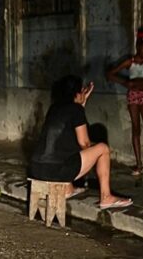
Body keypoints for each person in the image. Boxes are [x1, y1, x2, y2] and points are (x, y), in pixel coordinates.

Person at [30, 75, 133, 210]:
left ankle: (68, 190)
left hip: (36, 169)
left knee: (66, 151)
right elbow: (84, 143)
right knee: (103, 148)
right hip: (54, 171)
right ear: (78, 93)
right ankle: (106, 197)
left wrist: (81, 104)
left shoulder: (54, 108)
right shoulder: (76, 110)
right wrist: (97, 153)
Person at [106, 28, 143, 176]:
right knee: (136, 129)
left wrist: (134, 82)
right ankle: (139, 165)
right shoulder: (130, 61)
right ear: (139, 48)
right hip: (133, 96)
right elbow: (110, 74)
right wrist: (126, 82)